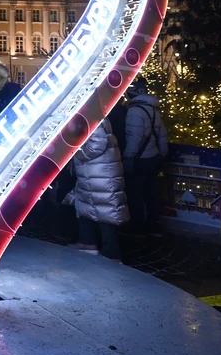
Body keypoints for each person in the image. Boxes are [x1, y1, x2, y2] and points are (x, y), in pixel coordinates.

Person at [65, 118, 129, 260]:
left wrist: (77, 154)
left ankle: (111, 255)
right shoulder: (92, 116)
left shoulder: (93, 117)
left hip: (100, 174)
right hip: (95, 174)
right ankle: (88, 244)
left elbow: (97, 144)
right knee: (85, 207)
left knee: (105, 212)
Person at [122, 77, 168, 237]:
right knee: (151, 192)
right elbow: (161, 134)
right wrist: (162, 153)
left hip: (140, 160)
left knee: (135, 194)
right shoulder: (152, 108)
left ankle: (137, 227)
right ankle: (153, 225)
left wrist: (128, 156)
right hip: (153, 157)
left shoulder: (134, 111)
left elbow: (134, 138)